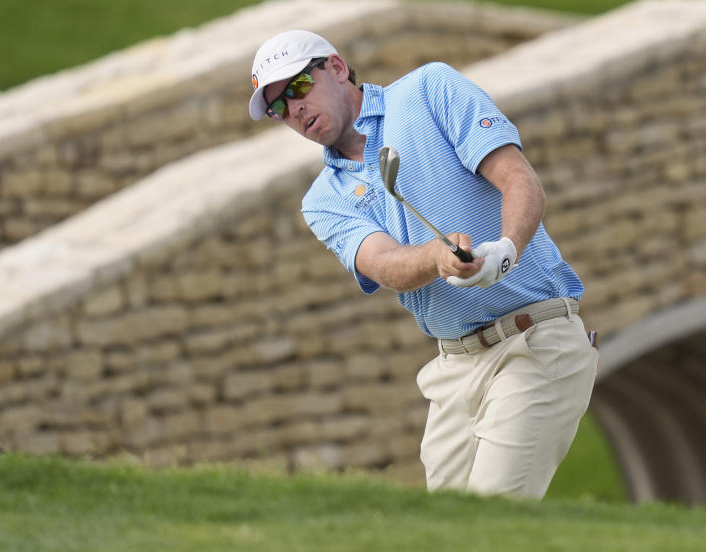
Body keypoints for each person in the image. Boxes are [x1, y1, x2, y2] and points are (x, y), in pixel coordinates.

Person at [248, 29, 599, 499]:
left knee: (490, 524)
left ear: (334, 67)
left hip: (535, 340)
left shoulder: (429, 90)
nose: (294, 109)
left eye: (297, 88)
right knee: (445, 535)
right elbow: (385, 264)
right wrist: (437, 257)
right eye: (277, 107)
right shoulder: (323, 200)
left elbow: (519, 180)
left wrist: (506, 248)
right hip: (454, 367)